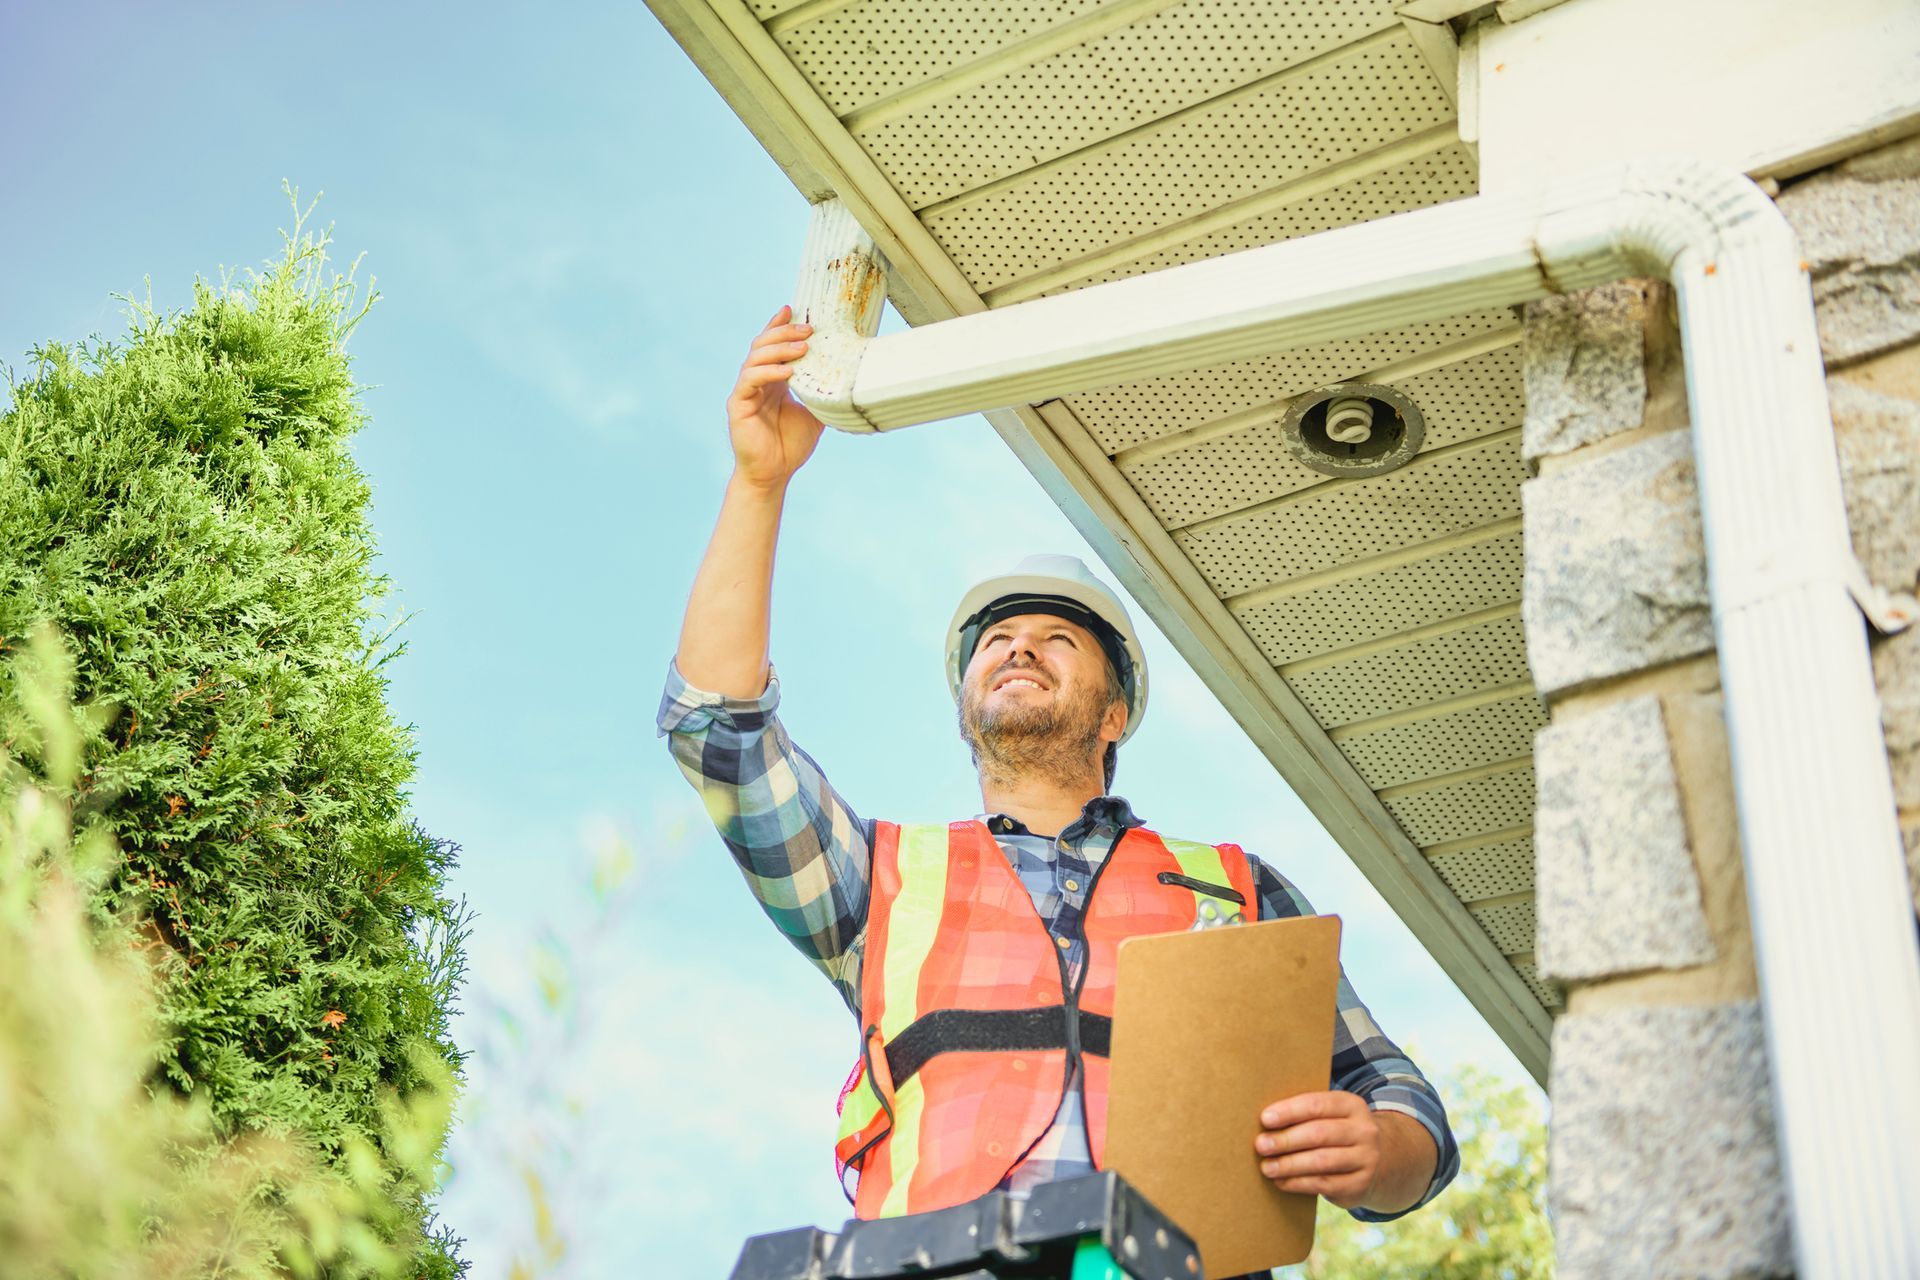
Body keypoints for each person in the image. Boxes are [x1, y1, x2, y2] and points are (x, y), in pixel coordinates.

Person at [661, 307, 1460, 1256]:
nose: (1016, 647)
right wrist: (760, 482)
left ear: (1114, 714)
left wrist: (1382, 1148)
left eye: (1056, 638)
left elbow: (1403, 1107)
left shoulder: (1234, 887)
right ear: (966, 704)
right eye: (995, 640)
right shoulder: (878, 881)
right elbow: (716, 731)